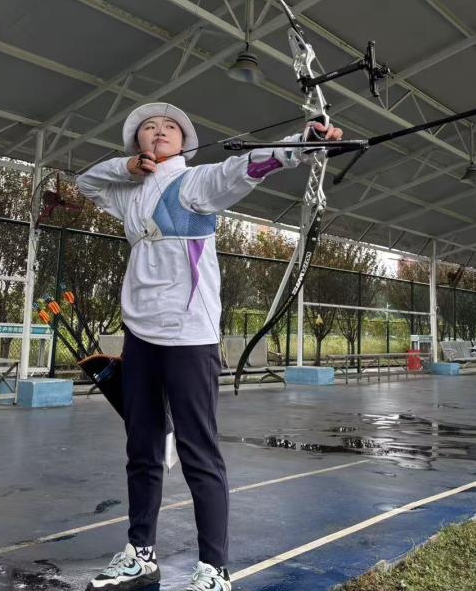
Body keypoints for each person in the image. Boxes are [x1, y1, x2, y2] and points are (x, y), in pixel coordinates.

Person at [77, 102, 343, 591]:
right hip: (140, 336)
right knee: (143, 449)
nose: (158, 132)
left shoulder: (195, 183)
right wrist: (126, 168)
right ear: (138, 146)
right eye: (148, 129)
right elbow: (86, 183)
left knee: (199, 452)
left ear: (184, 142)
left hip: (189, 338)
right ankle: (140, 551)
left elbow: (245, 166)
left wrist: (302, 143)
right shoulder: (130, 195)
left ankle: (214, 569)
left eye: (169, 127)